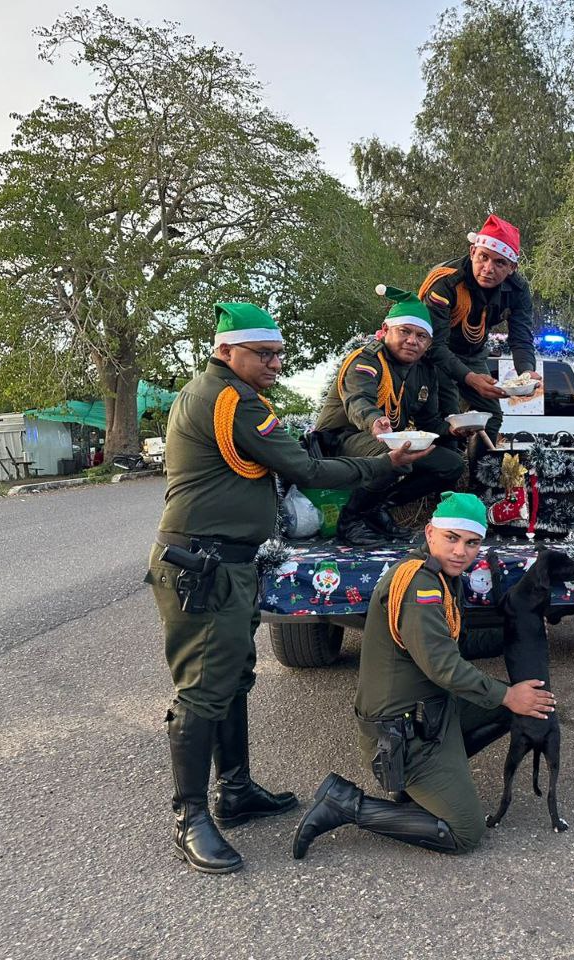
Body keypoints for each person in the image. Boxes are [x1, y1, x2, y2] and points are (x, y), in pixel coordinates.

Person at [148, 302, 428, 875]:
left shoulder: (218, 393)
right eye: (264, 354)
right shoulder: (232, 400)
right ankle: (189, 817)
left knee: (231, 677)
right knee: (202, 690)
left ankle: (235, 791)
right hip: (205, 565)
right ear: (226, 351)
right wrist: (387, 463)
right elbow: (308, 469)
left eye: (279, 353)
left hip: (226, 561)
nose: (276, 363)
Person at [290, 492, 556, 859]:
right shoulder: (421, 586)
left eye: (471, 543)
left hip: (427, 713)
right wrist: (509, 695)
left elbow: (455, 643)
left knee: (515, 707)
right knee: (466, 831)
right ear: (430, 532)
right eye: (452, 538)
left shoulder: (439, 574)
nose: (461, 551)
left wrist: (520, 633)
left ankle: (424, 785)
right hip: (400, 732)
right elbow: (444, 666)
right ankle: (345, 804)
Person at [314, 285, 469, 545]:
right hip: (341, 438)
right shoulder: (366, 360)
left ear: (429, 343)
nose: (412, 341)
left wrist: (453, 429)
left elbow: (429, 422)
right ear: (385, 330)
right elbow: (358, 401)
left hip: (387, 439)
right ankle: (350, 521)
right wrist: (375, 421)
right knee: (395, 456)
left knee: (450, 464)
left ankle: (378, 508)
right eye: (405, 331)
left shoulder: (424, 371)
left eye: (421, 336)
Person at [419, 214, 541, 443]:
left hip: (474, 353)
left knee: (491, 418)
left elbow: (521, 337)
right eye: (483, 257)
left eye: (499, 263)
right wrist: (470, 378)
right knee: (451, 417)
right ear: (472, 251)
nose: (488, 268)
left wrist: (527, 372)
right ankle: (450, 461)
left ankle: (481, 465)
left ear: (512, 268)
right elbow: (433, 345)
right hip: (437, 355)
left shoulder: (518, 290)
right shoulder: (445, 281)